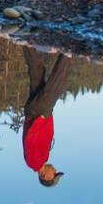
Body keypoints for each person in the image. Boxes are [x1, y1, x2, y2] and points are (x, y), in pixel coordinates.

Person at [21, 45, 75, 187]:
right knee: (37, 73)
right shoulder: (39, 160)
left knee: (57, 86)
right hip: (35, 112)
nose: (55, 170)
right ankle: (25, 41)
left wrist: (41, 119)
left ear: (45, 176)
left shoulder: (34, 162)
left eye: (54, 174)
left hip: (39, 112)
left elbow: (29, 138)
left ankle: (68, 52)